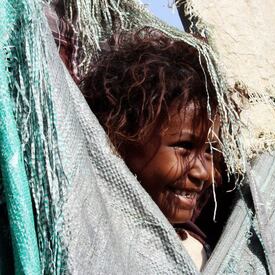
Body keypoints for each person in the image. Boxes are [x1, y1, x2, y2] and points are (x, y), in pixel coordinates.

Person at [80, 28, 223, 270]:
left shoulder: (202, 250)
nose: (205, 173)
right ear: (120, 139)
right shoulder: (89, 236)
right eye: (184, 147)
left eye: (210, 151)